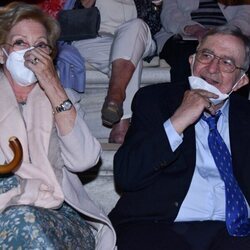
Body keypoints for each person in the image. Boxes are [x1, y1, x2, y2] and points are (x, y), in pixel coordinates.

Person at [109, 25, 250, 250]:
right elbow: (127, 175)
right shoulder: (155, 100)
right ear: (192, 61)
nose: (212, 68)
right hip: (159, 225)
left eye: (227, 62)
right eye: (207, 55)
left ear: (241, 80)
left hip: (236, 231)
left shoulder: (246, 116)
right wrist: (178, 120)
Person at [0, 2, 116, 249]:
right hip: (4, 207)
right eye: (20, 42)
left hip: (61, 214)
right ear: (2, 53)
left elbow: (84, 160)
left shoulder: (64, 99)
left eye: (41, 45)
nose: (31, 52)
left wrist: (53, 86)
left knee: (21, 218)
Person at [68, 0, 158, 144]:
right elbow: (68, 15)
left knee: (136, 27)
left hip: (136, 37)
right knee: (131, 56)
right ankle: (122, 123)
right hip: (95, 40)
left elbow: (153, 26)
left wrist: (156, 5)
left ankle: (115, 95)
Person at [155, 0, 250, 84]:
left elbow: (245, 16)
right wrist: (193, 28)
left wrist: (223, 34)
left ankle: (236, 103)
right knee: (186, 57)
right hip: (183, 35)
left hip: (227, 36)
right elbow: (169, 13)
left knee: (239, 59)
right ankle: (185, 102)